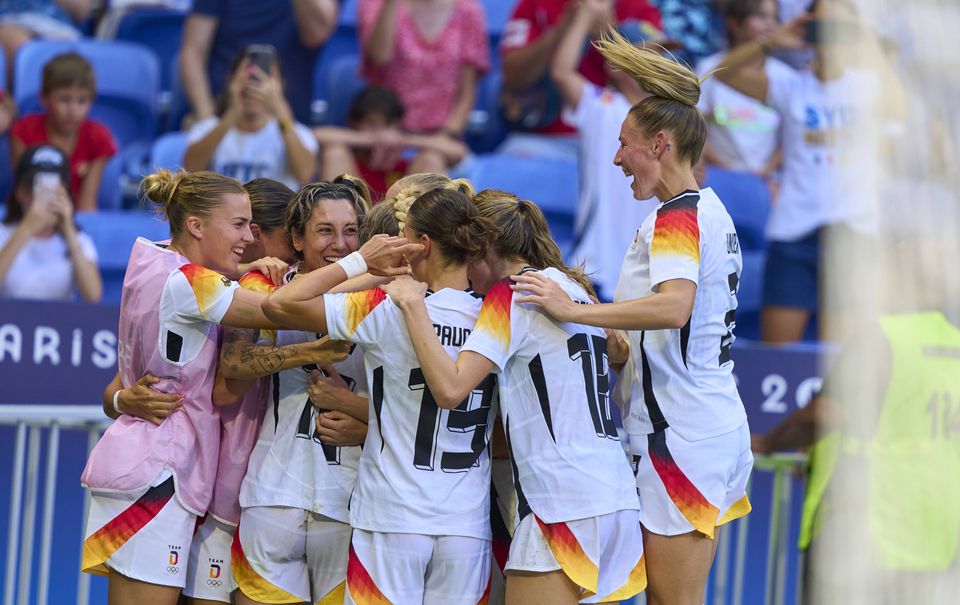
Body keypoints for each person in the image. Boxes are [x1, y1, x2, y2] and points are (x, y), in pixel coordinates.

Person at [79, 168, 417, 604]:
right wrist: (364, 266)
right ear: (197, 225)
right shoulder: (189, 282)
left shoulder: (158, 264)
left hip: (161, 466)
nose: (248, 237)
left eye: (253, 227)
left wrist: (124, 397)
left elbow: (122, 385)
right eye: (239, 225)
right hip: (162, 470)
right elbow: (277, 310)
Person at [511, 28, 753, 605]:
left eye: (625, 144)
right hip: (705, 425)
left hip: (681, 434)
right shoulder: (709, 210)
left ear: (661, 143)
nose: (617, 157)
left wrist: (576, 310)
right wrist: (612, 338)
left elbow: (674, 307)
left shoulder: (675, 217)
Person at [383, 189, 646, 604]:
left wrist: (413, 306)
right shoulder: (572, 287)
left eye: (469, 252)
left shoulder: (512, 293)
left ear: (485, 247)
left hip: (562, 502)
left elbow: (451, 389)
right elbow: (619, 350)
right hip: (614, 496)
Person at [263, 181, 500, 604]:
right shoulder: (498, 315)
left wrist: (362, 263)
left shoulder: (382, 306)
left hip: (391, 517)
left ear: (422, 244)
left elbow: (280, 303)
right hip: (465, 523)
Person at [713, 0, 903, 343]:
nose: (832, 36)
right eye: (823, 26)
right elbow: (721, 74)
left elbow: (899, 110)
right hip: (793, 230)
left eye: (841, 28)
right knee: (778, 356)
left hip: (853, 231)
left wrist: (867, 42)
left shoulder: (868, 84)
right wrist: (771, 41)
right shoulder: (789, 85)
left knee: (843, 362)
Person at [226, 180, 372, 605]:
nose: (340, 245)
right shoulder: (262, 287)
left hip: (350, 503)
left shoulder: (388, 296)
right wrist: (308, 351)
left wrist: (364, 422)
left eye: (350, 231)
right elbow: (233, 363)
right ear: (296, 238)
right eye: (325, 230)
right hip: (273, 495)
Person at [551, 0, 659, 299]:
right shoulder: (602, 105)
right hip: (595, 263)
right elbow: (561, 72)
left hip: (651, 266)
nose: (658, 58)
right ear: (616, 64)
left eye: (661, 51)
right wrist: (585, 17)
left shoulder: (674, 117)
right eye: (648, 50)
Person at [497, 0, 662, 162]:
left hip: (616, 137)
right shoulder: (535, 4)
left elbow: (653, 79)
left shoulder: (640, 7)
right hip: (546, 139)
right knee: (513, 162)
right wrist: (562, 29)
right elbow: (513, 78)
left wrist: (610, 34)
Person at [358, 0, 490, 172]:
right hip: (382, 133)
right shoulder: (374, 4)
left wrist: (446, 136)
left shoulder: (468, 10)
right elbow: (380, 56)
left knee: (429, 162)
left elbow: (467, 92)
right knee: (336, 154)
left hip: (439, 137)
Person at [179, 0, 337, 125]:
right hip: (224, 113)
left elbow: (316, 34)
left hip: (288, 118)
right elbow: (193, 53)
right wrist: (206, 118)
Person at [183, 48, 318, 190]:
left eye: (264, 77)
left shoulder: (298, 132)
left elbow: (305, 175)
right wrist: (232, 115)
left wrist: (281, 113)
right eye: (248, 75)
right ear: (230, 80)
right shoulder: (207, 128)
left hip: (276, 211)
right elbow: (190, 170)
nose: (254, 83)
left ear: (281, 85)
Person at [10, 52, 118, 212]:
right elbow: (24, 194)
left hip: (72, 221)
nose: (73, 110)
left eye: (82, 100)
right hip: (28, 215)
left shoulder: (98, 138)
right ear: (44, 98)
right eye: (64, 99)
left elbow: (87, 204)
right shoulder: (23, 131)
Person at [697, 0, 793, 179]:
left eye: (774, 17)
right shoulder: (708, 69)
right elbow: (693, 127)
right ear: (735, 24)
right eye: (760, 16)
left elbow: (791, 134)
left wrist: (766, 172)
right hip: (718, 177)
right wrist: (727, 170)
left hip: (768, 183)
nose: (770, 25)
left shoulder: (786, 77)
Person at [315, 86, 469, 197]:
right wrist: (372, 138)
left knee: (431, 158)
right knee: (335, 152)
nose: (383, 132)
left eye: (388, 125)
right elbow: (312, 136)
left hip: (405, 228)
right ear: (354, 123)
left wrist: (404, 139)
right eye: (371, 124)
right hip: (355, 226)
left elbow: (459, 152)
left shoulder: (407, 162)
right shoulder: (348, 160)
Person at [0, 144, 101, 302]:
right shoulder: (3, 232)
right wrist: (26, 228)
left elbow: (93, 295)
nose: (44, 195)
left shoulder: (78, 238)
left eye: (53, 187)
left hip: (58, 324)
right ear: (20, 192)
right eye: (35, 186)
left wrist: (68, 229)